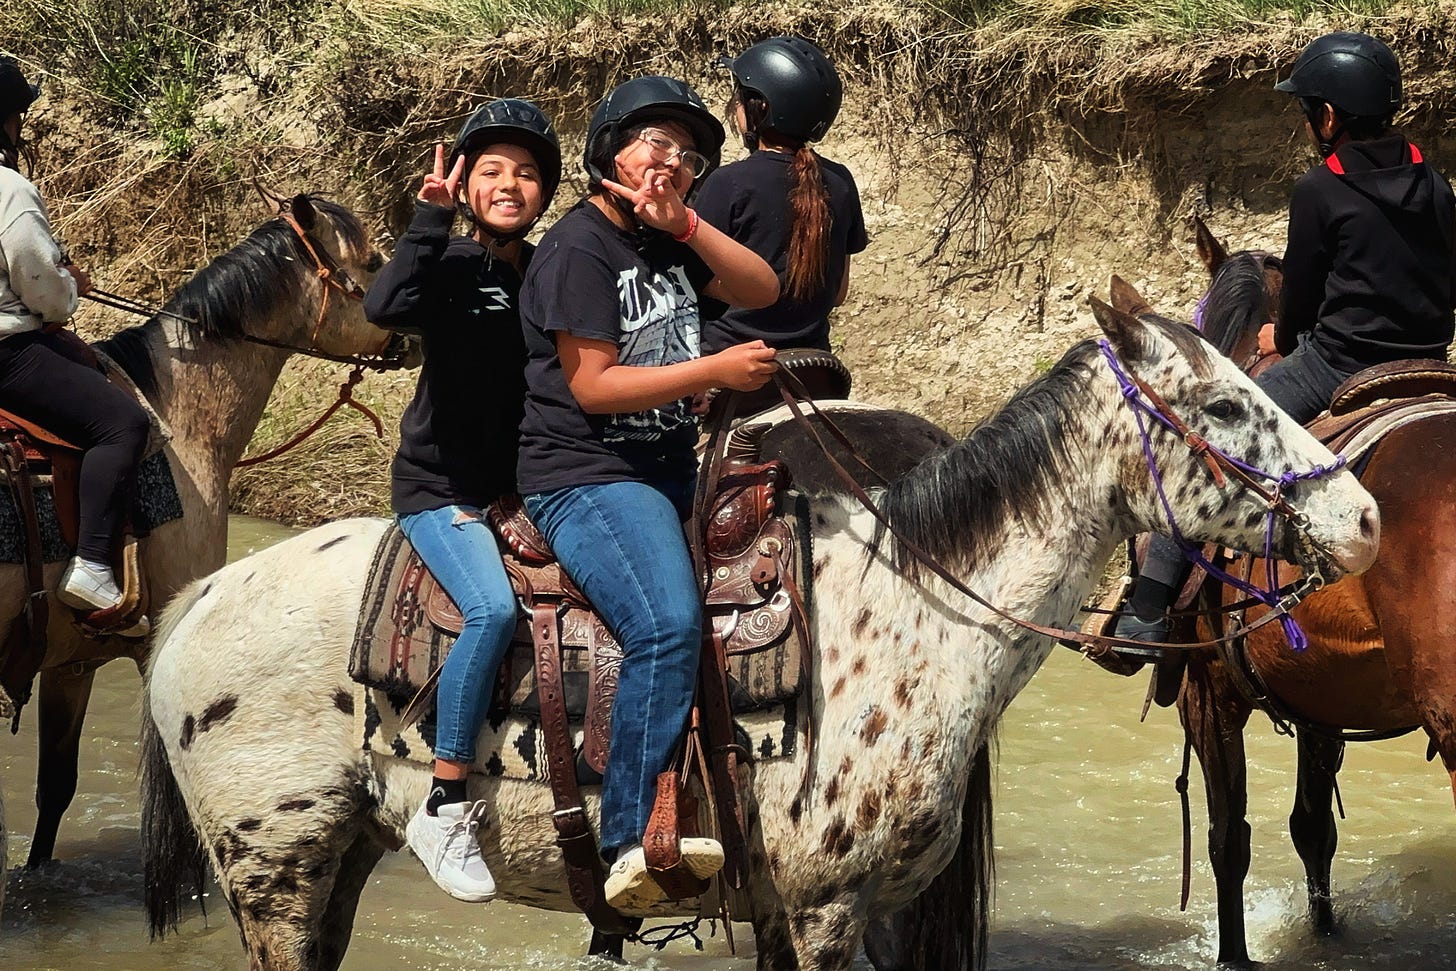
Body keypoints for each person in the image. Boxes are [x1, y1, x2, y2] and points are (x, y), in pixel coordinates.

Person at [516, 75, 779, 910]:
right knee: (666, 625)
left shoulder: (669, 243)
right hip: (587, 473)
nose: (671, 161)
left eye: (688, 154)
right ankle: (628, 836)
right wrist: (716, 370)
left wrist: (689, 225)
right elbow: (591, 386)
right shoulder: (577, 249)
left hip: (668, 465)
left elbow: (763, 290)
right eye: (654, 145)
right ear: (611, 153)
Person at [1116, 31, 1455, 645]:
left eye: (1308, 111)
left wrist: (1283, 332)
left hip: (1337, 365)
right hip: (1432, 362)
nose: (1308, 122)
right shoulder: (1434, 182)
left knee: (1210, 442)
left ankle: (1147, 608)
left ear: (1328, 116)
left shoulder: (1320, 190)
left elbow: (1299, 303)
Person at [362, 98, 561, 902]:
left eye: (525, 172)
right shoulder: (444, 263)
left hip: (529, 485)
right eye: (492, 171)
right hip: (442, 488)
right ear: (468, 185)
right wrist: (426, 220)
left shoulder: (548, 268)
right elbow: (384, 309)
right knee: (492, 612)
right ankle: (444, 800)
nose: (509, 184)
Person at [0, 56, 150, 632]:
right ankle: (91, 564)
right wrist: (69, 288)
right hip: (7, 355)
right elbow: (41, 288)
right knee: (122, 425)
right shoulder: (9, 189)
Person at [695, 35, 868, 355]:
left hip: (731, 358)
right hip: (815, 359)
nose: (734, 104)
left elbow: (688, 282)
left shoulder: (727, 183)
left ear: (760, 106)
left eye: (740, 96)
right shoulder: (841, 181)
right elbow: (839, 293)